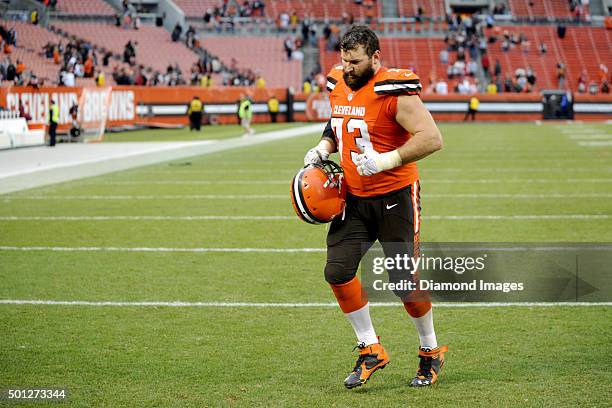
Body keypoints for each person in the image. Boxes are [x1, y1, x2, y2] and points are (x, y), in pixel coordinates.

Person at [302, 25, 446, 390]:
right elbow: (340, 123)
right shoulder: (337, 81)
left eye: (355, 61)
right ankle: (370, 348)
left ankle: (430, 350)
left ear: (376, 58)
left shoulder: (393, 91)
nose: (347, 68)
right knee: (337, 270)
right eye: (344, 60)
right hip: (354, 197)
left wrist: (387, 160)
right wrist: (323, 147)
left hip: (395, 197)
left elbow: (432, 138)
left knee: (404, 283)